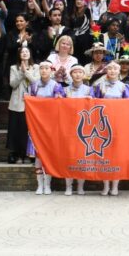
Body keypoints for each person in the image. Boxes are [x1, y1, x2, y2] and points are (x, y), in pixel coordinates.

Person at [92, 62, 129, 196]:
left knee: (117, 155)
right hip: (103, 124)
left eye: (115, 68)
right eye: (109, 68)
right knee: (103, 154)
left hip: (118, 124)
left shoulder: (124, 87)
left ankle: (115, 185)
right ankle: (105, 185)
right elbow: (94, 103)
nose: (112, 71)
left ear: (119, 70)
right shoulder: (99, 86)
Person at [27, 61, 65, 195]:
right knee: (38, 155)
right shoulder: (33, 86)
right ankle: (39, 185)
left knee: (48, 155)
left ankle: (48, 185)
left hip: (51, 125)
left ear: (51, 71)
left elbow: (60, 105)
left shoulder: (57, 86)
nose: (44, 70)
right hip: (36, 124)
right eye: (41, 68)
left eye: (46, 68)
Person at [62, 66, 93, 196]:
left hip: (84, 127)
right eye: (75, 72)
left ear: (84, 74)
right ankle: (68, 186)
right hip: (68, 126)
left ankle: (80, 186)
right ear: (71, 74)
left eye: (80, 72)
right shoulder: (64, 89)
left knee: (82, 157)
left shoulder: (89, 90)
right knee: (68, 157)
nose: (78, 74)